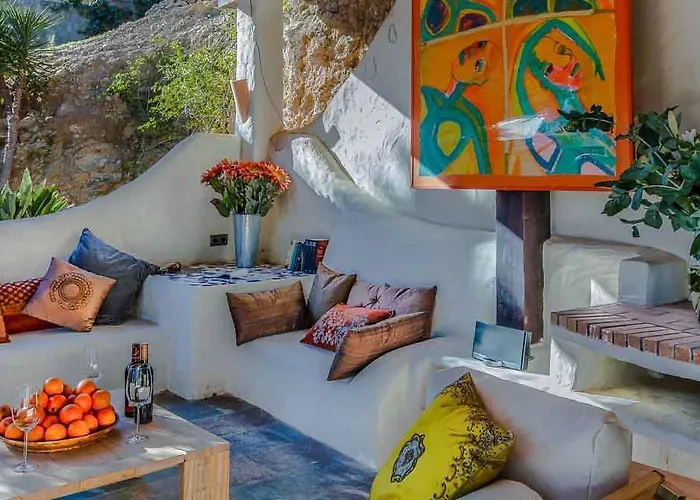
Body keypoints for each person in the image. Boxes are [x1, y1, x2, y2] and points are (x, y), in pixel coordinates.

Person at [511, 18, 616, 175]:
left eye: (561, 50)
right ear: (541, 83)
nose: (565, 61)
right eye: (549, 69)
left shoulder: (602, 97)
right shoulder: (555, 135)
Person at [420, 41, 495, 176]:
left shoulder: (466, 118)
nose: (471, 53)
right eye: (480, 44)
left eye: (478, 64)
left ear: (479, 80)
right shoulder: (427, 94)